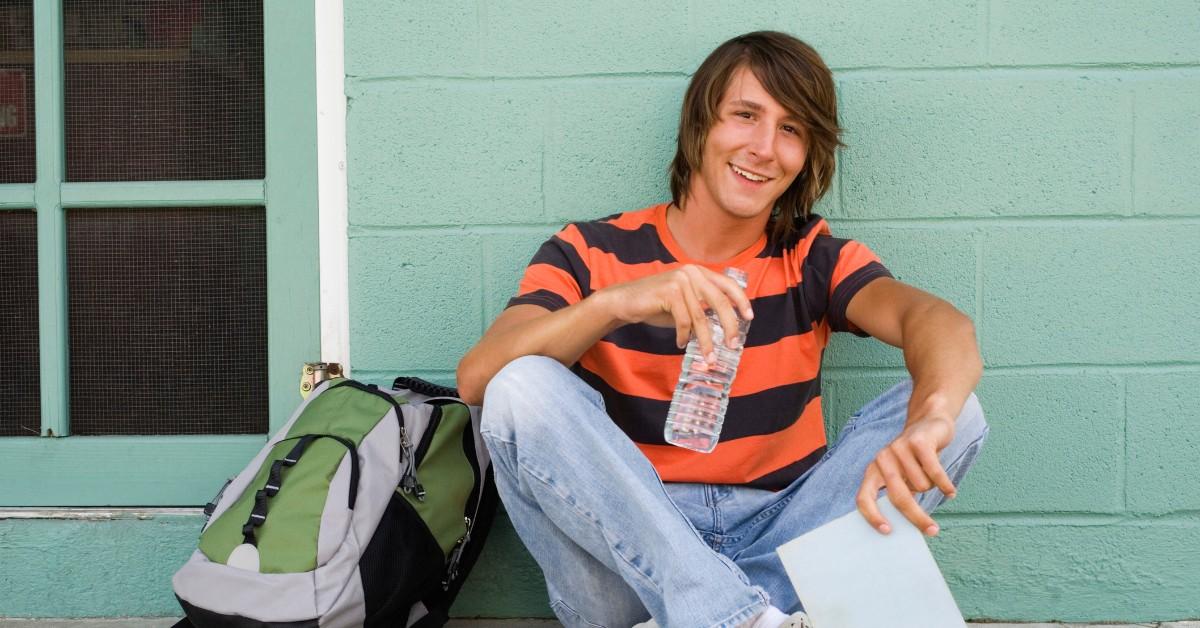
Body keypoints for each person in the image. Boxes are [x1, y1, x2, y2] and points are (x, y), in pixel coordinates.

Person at [456, 31, 989, 628]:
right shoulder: (588, 251)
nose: (764, 147)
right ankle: (741, 616)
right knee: (520, 383)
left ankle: (720, 613)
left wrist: (934, 414)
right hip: (630, 554)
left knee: (957, 408)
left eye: (791, 129)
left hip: (780, 534)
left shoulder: (810, 257)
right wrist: (613, 305)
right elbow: (479, 379)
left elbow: (939, 323)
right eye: (746, 116)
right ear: (700, 124)